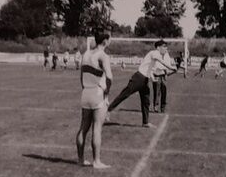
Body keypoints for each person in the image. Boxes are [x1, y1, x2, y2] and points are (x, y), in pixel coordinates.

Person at [107, 40, 177, 127]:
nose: (166, 48)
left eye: (166, 46)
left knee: (146, 101)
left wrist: (152, 77)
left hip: (144, 80)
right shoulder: (154, 53)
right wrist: (172, 67)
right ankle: (108, 110)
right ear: (158, 47)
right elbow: (162, 63)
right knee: (125, 94)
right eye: (164, 46)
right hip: (138, 78)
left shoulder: (155, 56)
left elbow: (150, 68)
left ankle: (145, 122)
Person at [76, 30, 113, 169]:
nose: (110, 41)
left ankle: (80, 159)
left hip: (86, 92)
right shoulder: (103, 56)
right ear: (105, 41)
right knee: (97, 128)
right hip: (97, 93)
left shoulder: (86, 53)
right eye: (109, 39)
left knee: (83, 128)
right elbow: (109, 77)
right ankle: (96, 161)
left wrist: (85, 89)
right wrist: (106, 94)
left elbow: (81, 76)